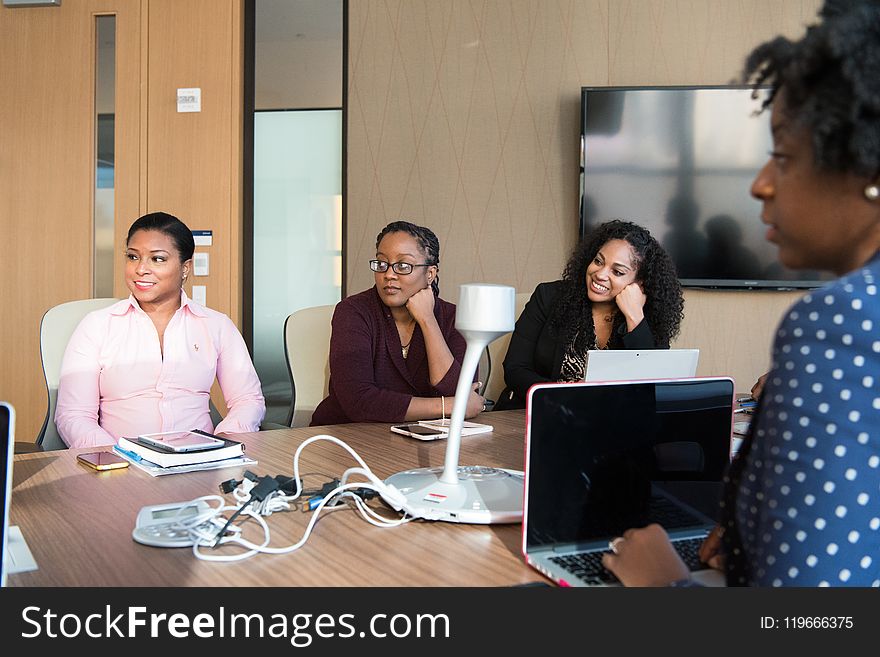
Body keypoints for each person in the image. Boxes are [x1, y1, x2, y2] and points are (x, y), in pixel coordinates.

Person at [603, 0, 880, 587]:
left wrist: (664, 586)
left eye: (781, 155)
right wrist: (756, 536)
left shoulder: (839, 325)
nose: (760, 184)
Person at [56, 212, 266, 448]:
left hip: (198, 462)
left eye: (157, 259)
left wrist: (225, 443)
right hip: (121, 466)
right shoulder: (97, 325)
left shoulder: (216, 325)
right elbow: (74, 415)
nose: (141, 269)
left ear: (185, 268)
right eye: (133, 257)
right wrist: (113, 455)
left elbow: (248, 400)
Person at [496, 219, 684, 410]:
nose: (600, 274)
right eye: (598, 261)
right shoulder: (549, 296)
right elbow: (515, 369)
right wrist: (563, 397)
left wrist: (634, 318)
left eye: (617, 272)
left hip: (606, 425)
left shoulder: (647, 320)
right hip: (539, 413)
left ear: (639, 283)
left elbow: (651, 388)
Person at [310, 221, 484, 425]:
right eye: (382, 263)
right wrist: (447, 406)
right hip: (347, 437)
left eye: (403, 265)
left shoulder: (453, 317)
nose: (389, 274)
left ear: (430, 274)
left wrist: (428, 321)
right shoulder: (353, 312)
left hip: (425, 440)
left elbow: (462, 393)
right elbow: (359, 401)